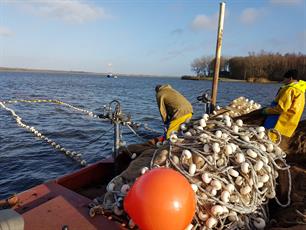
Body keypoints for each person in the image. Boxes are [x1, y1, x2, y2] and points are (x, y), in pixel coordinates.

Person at [262, 69, 306, 142]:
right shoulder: (301, 90)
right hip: (290, 122)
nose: (283, 80)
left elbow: (281, 108)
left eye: (285, 78)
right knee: (279, 141)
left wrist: (267, 111)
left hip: (278, 121)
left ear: (290, 78)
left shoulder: (290, 90)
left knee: (269, 141)